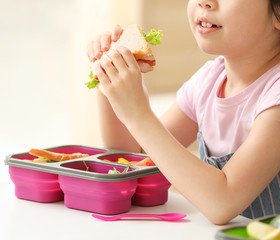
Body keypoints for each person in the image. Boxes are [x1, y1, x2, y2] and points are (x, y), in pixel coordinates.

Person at [86, 0, 280, 225]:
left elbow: (222, 202)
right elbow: (134, 159)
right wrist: (108, 78)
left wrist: (139, 114)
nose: (204, 2)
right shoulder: (208, 81)